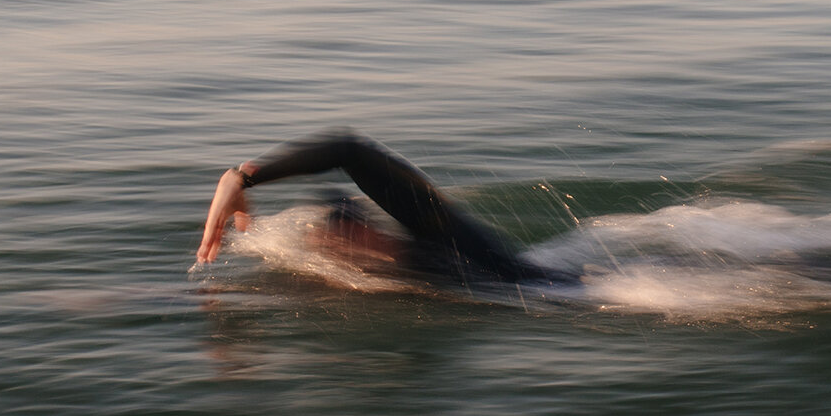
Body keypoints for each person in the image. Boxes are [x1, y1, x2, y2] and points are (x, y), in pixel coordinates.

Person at [196, 130, 573, 284]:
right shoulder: (389, 275)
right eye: (326, 241)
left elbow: (350, 150)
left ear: (365, 230)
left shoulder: (450, 243)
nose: (331, 246)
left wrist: (242, 178)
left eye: (338, 233)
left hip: (575, 296)